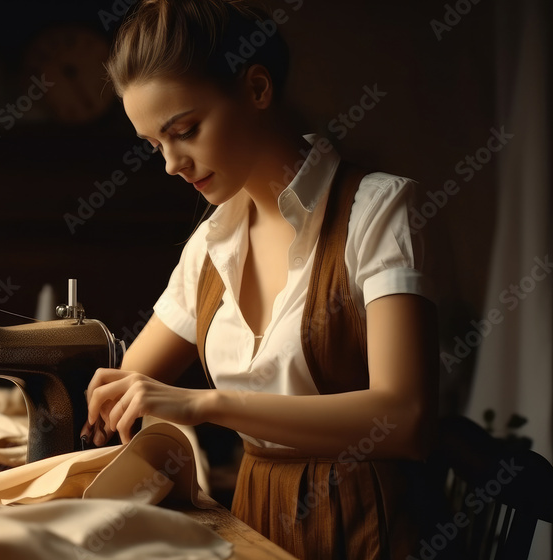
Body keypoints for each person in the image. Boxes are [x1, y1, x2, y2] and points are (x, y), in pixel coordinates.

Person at [81, 1, 441, 558]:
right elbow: (127, 387)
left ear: (256, 88)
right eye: (156, 146)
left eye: (186, 131)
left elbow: (404, 418)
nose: (172, 164)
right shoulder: (211, 244)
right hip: (250, 521)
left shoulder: (378, 209)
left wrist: (206, 405)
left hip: (361, 527)